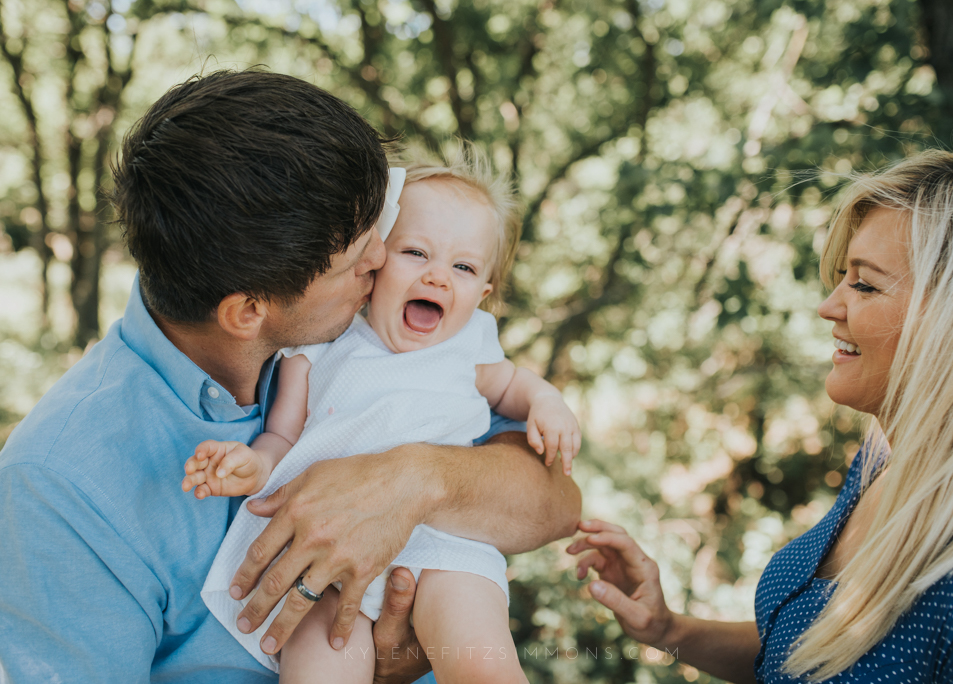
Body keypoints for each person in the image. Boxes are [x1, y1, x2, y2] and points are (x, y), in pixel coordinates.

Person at [0, 69, 580, 684]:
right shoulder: (60, 488)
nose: (386, 262)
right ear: (250, 312)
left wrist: (417, 480)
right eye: (360, 258)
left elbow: (557, 502)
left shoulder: (378, 336)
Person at [569, 124, 953, 683]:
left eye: (864, 285)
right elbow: (804, 650)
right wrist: (671, 631)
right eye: (840, 278)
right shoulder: (882, 459)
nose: (828, 307)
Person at [182, 149, 581, 683]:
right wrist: (252, 466)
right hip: (325, 549)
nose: (439, 278)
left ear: (482, 294)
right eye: (416, 253)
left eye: (463, 267)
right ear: (374, 259)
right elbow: (283, 432)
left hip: (444, 541)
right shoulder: (324, 342)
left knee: (478, 652)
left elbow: (511, 385)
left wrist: (547, 402)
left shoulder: (470, 343)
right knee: (319, 660)